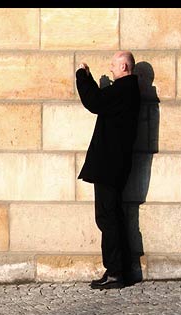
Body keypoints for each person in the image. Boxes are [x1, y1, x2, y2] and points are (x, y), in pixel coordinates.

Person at [75, 51, 140, 290]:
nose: (111, 69)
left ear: (124, 66)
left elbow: (94, 102)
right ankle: (119, 270)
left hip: (110, 166)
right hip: (113, 165)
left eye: (113, 65)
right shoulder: (127, 90)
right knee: (113, 216)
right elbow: (102, 101)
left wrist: (83, 75)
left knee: (107, 217)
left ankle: (115, 272)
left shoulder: (124, 89)